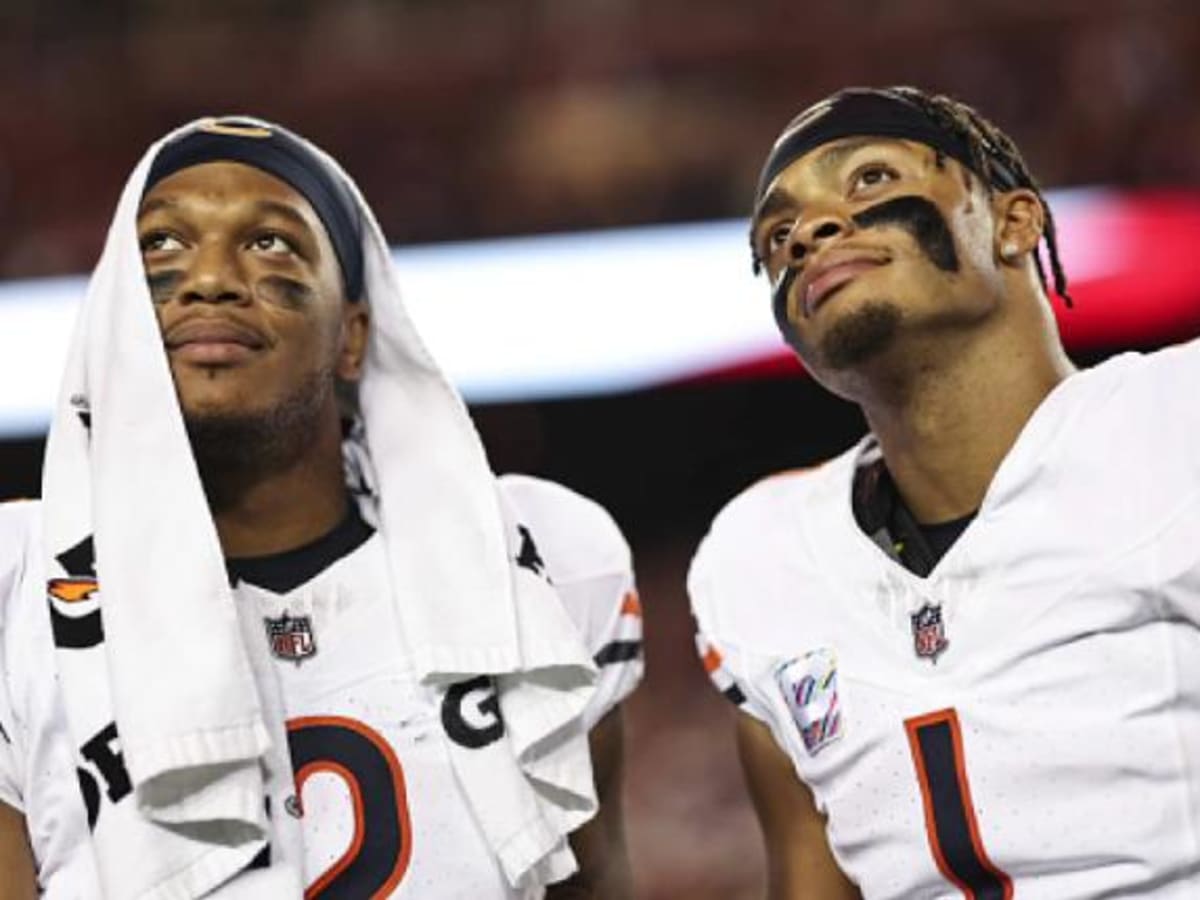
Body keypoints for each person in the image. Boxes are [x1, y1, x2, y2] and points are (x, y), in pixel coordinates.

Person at [0, 117, 643, 898]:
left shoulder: (540, 557)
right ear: (116, 321)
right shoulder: (17, 581)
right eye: (163, 245)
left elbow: (590, 880)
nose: (209, 278)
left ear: (353, 335)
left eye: (270, 242)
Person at [689, 85, 1200, 899]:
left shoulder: (1177, 423)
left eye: (870, 182)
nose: (811, 233)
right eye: (777, 236)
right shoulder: (757, 559)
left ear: (1014, 221)